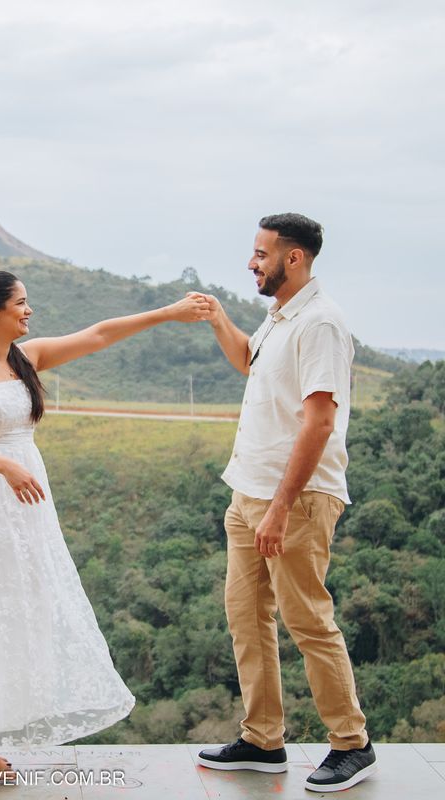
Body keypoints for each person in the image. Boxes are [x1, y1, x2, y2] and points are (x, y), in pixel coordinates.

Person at [0, 270, 209, 778]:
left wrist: (167, 313)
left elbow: (98, 335)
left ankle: (7, 718)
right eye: (20, 302)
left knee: (32, 602)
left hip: (28, 495)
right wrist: (3, 466)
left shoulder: (26, 357)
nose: (29, 310)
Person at [194, 214, 376, 792]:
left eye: (260, 254)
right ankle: (263, 739)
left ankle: (352, 743)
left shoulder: (320, 323)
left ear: (293, 258)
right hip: (246, 492)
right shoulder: (280, 316)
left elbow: (320, 423)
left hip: (292, 502)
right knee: (247, 618)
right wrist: (219, 316)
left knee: (307, 622)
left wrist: (278, 507)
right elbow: (249, 361)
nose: (252, 262)